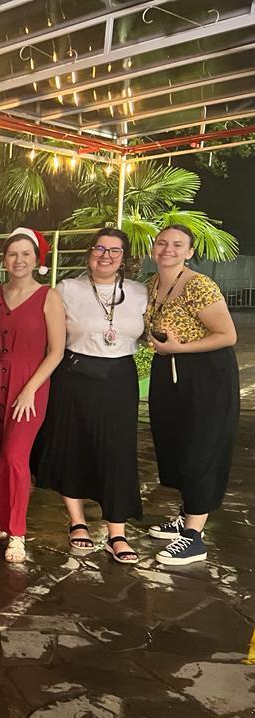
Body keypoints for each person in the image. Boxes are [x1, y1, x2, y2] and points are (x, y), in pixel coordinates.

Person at [32, 228, 147, 563]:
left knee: (118, 452)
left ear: (124, 258)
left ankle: (117, 532)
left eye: (114, 251)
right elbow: (46, 334)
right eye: (100, 248)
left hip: (119, 377)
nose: (106, 256)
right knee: (75, 446)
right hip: (75, 374)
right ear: (89, 253)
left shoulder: (140, 293)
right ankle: (77, 522)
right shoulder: (67, 289)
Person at [0, 228, 65, 564]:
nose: (19, 260)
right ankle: (2, 520)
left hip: (30, 385)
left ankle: (18, 532)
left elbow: (56, 351)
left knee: (15, 456)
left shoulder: (48, 297)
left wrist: (29, 390)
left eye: (26, 254)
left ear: (36, 259)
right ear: (4, 260)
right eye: (12, 254)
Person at [144, 224, 239, 565]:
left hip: (206, 375)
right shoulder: (152, 284)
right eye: (162, 242)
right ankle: (186, 515)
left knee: (201, 448)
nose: (168, 249)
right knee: (177, 445)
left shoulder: (199, 285)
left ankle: (195, 537)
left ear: (189, 251)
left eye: (177, 244)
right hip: (170, 372)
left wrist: (181, 348)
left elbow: (227, 335)